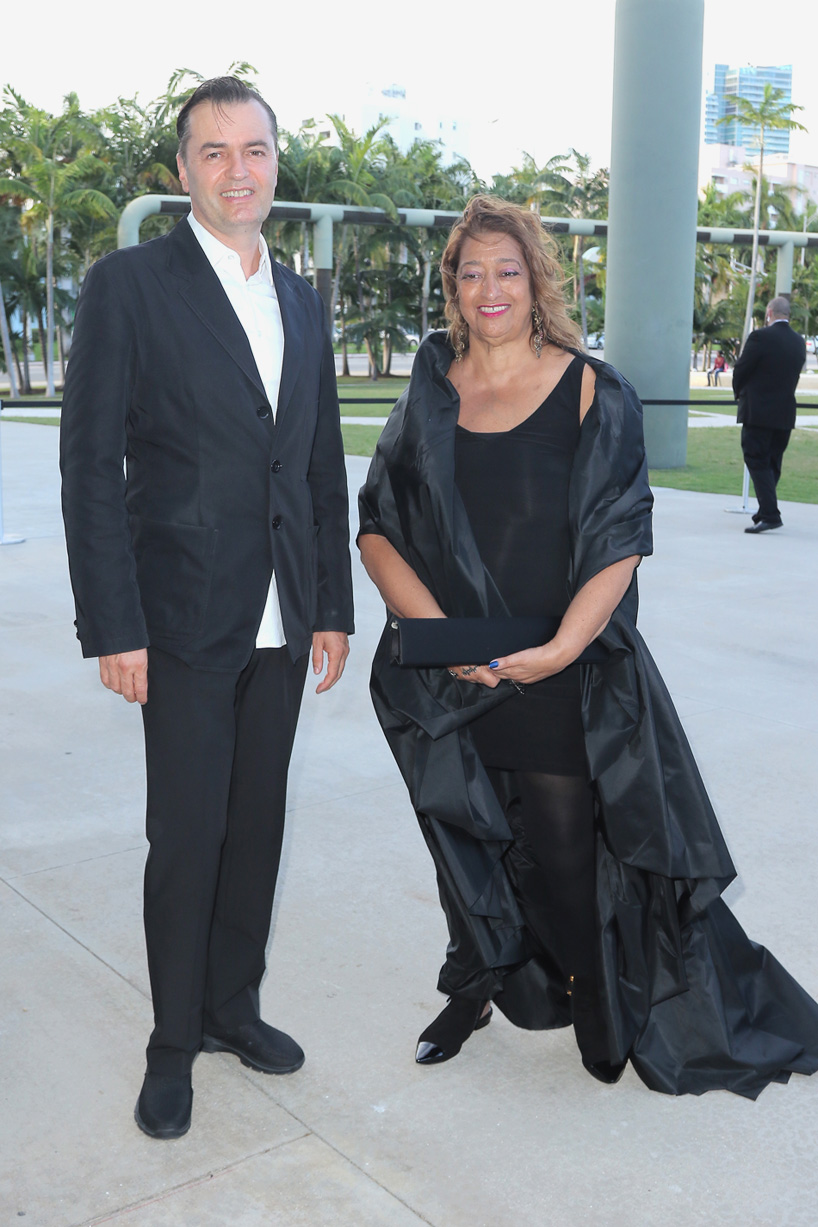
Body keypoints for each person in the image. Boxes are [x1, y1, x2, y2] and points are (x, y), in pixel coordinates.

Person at [358, 195, 818, 1097]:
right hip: (455, 668)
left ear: (536, 280)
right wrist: (435, 636)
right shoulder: (432, 385)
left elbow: (620, 536)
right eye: (471, 271)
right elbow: (378, 525)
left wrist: (561, 649)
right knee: (467, 838)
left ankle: (598, 1000)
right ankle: (474, 985)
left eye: (507, 270)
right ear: (451, 286)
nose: (489, 288)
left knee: (568, 853)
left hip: (562, 668)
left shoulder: (587, 388)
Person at [60, 77, 354, 1139]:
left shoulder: (303, 298)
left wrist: (329, 606)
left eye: (256, 150)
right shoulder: (130, 285)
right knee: (187, 837)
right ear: (182, 171)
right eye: (215, 152)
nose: (240, 171)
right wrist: (115, 623)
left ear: (277, 162)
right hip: (178, 618)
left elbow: (318, 461)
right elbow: (91, 468)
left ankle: (234, 1009)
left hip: (283, 621)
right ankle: (172, 1042)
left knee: (256, 829)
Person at [732, 296, 806, 533]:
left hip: (758, 412)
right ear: (788, 315)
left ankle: (771, 514)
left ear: (769, 313)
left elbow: (741, 369)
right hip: (785, 413)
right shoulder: (798, 342)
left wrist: (738, 393)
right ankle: (766, 509)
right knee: (772, 463)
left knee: (756, 459)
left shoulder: (760, 337)